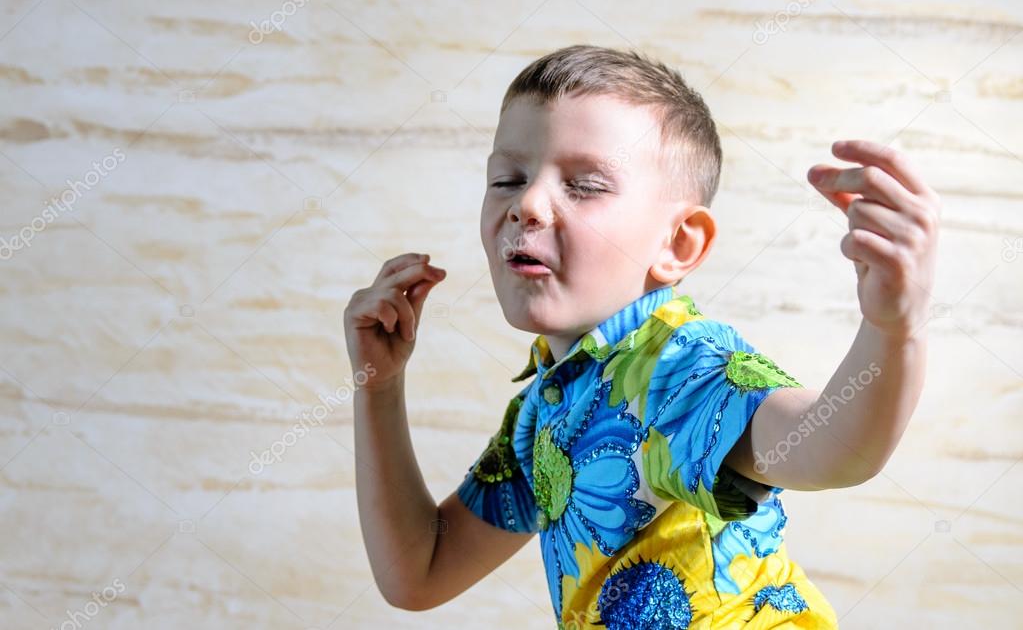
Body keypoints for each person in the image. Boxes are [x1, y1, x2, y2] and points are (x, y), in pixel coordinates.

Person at [344, 45, 941, 628]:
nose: (527, 203)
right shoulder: (545, 410)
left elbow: (837, 448)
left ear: (678, 244)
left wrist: (894, 329)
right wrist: (378, 386)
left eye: (584, 185)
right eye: (507, 178)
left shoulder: (676, 364)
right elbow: (419, 573)